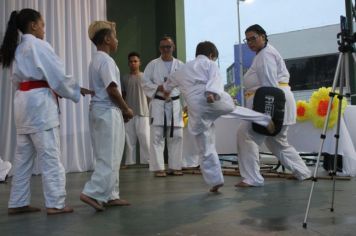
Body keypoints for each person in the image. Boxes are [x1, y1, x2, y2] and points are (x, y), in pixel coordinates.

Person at [0, 8, 93, 215]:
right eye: (42, 25)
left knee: (23, 157)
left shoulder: (16, 49)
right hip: (39, 106)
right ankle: (56, 203)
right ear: (33, 25)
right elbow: (58, 76)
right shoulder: (39, 45)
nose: (44, 29)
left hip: (22, 103)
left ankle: (17, 202)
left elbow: (16, 80)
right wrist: (76, 90)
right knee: (50, 155)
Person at [161, 41, 274, 192]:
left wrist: (167, 93)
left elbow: (167, 85)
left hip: (196, 107)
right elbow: (215, 79)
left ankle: (215, 180)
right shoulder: (210, 64)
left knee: (205, 145)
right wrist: (211, 93)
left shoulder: (182, 69)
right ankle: (263, 119)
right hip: (213, 99)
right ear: (211, 55)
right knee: (233, 109)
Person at [235, 24, 311, 187]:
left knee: (246, 134)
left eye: (253, 38)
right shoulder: (264, 54)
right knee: (277, 142)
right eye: (247, 40)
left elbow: (269, 87)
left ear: (263, 36)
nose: (250, 42)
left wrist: (266, 117)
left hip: (272, 103)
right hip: (278, 101)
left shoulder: (265, 55)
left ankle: (253, 178)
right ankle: (302, 172)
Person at [80, 20, 133, 211]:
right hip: (107, 112)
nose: (117, 40)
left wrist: (112, 26)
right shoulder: (106, 60)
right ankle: (92, 192)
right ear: (107, 39)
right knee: (109, 156)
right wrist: (126, 109)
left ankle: (111, 195)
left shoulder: (97, 59)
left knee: (110, 155)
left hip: (100, 111)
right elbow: (112, 89)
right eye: (114, 37)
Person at [141, 36, 184, 177]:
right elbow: (145, 83)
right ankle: (159, 168)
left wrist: (188, 103)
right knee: (157, 136)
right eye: (163, 47)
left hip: (175, 103)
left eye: (168, 47)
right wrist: (159, 87)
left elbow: (187, 85)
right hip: (159, 103)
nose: (166, 49)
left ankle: (175, 166)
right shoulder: (153, 64)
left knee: (176, 135)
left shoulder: (181, 65)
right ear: (159, 48)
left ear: (173, 47)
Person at [121, 52, 150, 166]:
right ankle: (129, 162)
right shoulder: (124, 78)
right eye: (131, 61)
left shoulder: (145, 77)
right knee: (129, 140)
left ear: (139, 63)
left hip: (143, 112)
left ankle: (147, 161)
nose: (133, 63)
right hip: (129, 113)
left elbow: (149, 95)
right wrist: (124, 110)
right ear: (128, 63)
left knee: (145, 139)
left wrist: (150, 111)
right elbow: (123, 95)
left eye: (135, 61)